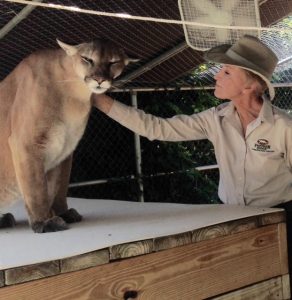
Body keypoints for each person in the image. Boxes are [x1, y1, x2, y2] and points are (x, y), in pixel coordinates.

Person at [92, 34, 292, 272]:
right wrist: (99, 101)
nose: (217, 75)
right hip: (230, 219)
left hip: (280, 219)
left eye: (227, 72)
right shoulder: (214, 119)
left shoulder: (284, 127)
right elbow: (158, 128)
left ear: (250, 86)